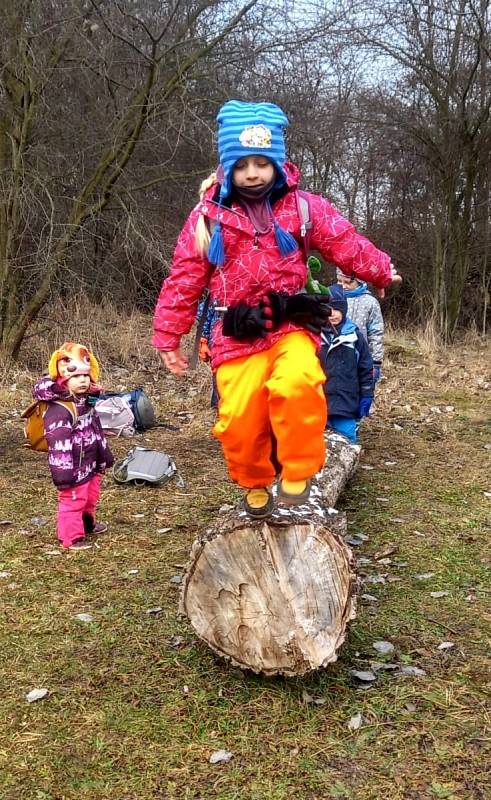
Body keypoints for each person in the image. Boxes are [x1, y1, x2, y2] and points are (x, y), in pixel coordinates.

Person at [152, 99, 400, 518]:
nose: (253, 172)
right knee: (239, 419)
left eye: (262, 163)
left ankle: (299, 471)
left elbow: (345, 241)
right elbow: (184, 277)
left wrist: (379, 269)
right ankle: (254, 480)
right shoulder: (207, 217)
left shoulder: (303, 208)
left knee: (298, 384)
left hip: (290, 325)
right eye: (243, 163)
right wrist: (168, 335)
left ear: (277, 163)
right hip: (236, 333)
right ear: (227, 165)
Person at [33, 342, 114, 550]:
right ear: (63, 380)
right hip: (72, 466)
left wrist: (103, 456)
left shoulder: (86, 402)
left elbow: (96, 429)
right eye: (76, 377)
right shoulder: (60, 410)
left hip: (90, 461)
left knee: (90, 495)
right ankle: (71, 537)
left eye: (86, 376)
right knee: (73, 500)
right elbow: (58, 445)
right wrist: (63, 475)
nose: (83, 381)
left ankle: (87, 524)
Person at [320, 285, 374, 444]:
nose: (332, 314)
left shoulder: (354, 337)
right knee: (318, 444)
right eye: (327, 309)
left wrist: (367, 394)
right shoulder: (314, 336)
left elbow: (365, 368)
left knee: (347, 441)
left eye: (336, 309)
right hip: (318, 403)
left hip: (346, 402)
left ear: (344, 310)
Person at [336, 267, 384, 382]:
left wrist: (376, 361)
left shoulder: (370, 302)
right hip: (335, 356)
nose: (343, 286)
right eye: (339, 281)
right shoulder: (333, 297)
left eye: (348, 282)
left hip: (360, 357)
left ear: (360, 282)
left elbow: (376, 333)